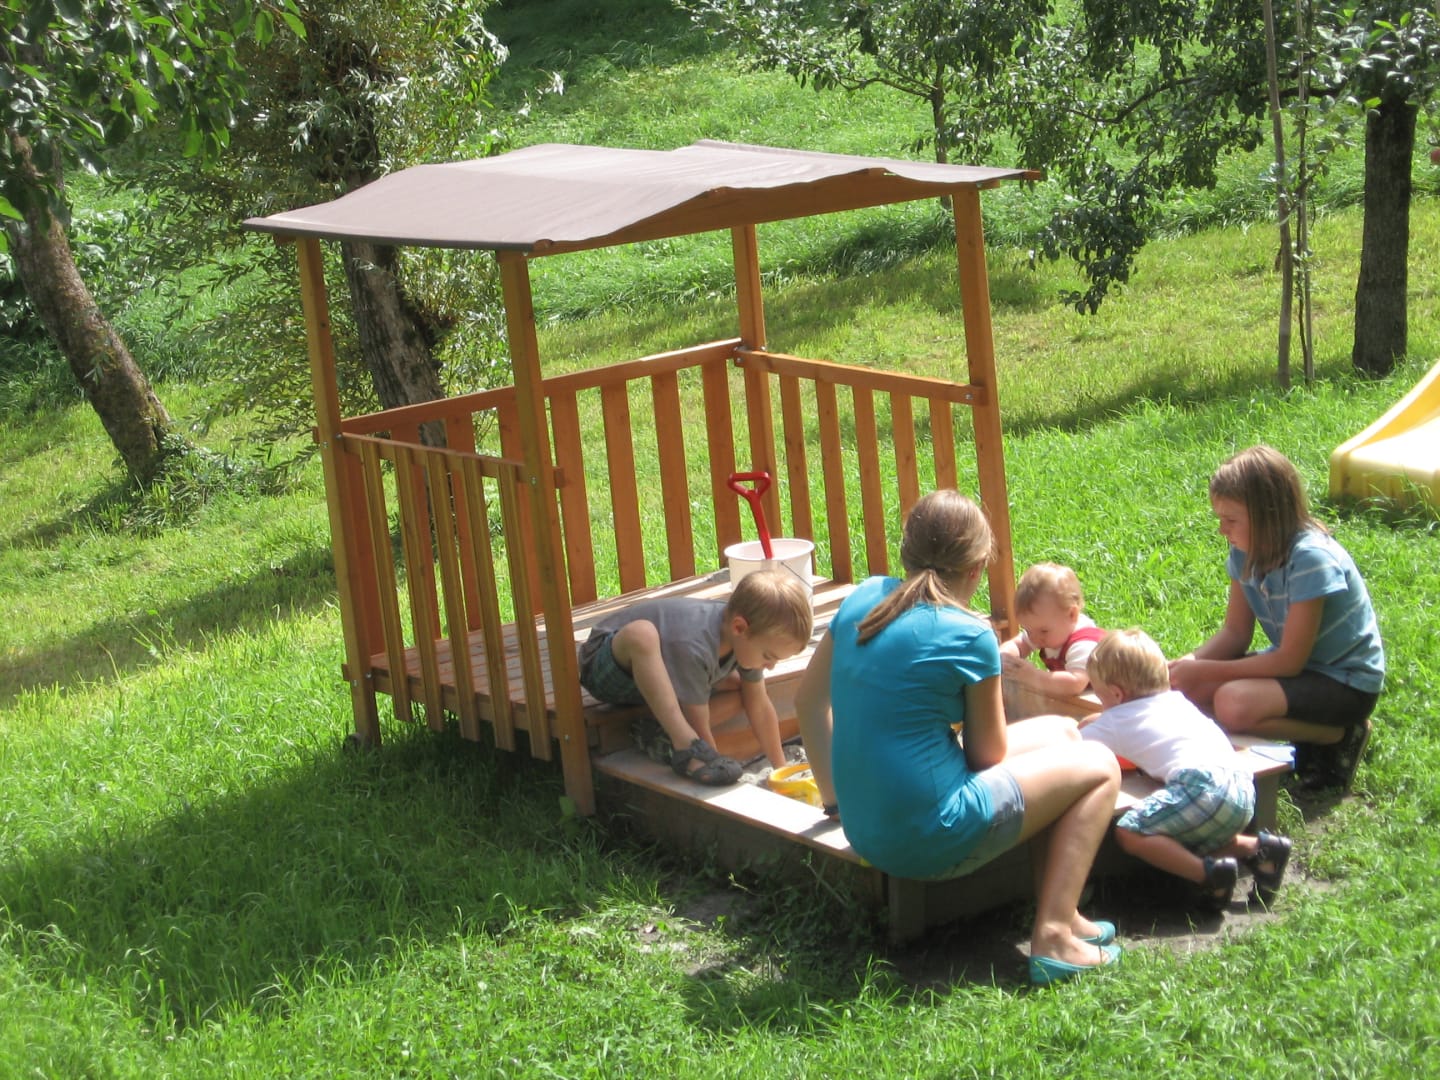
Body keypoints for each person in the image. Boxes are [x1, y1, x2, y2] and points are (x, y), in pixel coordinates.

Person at [795, 490, 1123, 985]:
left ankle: (1065, 914)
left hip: (864, 829)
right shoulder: (969, 633)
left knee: (1064, 732)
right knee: (1101, 765)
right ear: (977, 568)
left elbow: (807, 702)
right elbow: (987, 756)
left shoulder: (863, 596)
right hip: (931, 838)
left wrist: (837, 803)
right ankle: (1053, 938)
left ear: (905, 551)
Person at [1168, 446, 1385, 791]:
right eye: (1220, 519)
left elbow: (1289, 661)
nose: (1222, 530)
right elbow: (1235, 633)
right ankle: (1292, 739)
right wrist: (1185, 666)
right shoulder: (1244, 553)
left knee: (1232, 703)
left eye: (1231, 520)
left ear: (1267, 515)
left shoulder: (1311, 559)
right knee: (1189, 689)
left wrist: (1206, 669)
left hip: (1345, 682)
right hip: (1300, 672)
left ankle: (1339, 735)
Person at [1082, 629, 1293, 908]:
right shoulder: (1177, 701)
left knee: (1131, 831)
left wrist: (1086, 724)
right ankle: (1260, 850)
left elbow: (1072, 747)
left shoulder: (1116, 719)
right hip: (1241, 786)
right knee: (1188, 833)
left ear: (1117, 694)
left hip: (1202, 787)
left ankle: (1208, 876)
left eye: (1100, 697)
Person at [579, 568, 813, 786]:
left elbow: (759, 705)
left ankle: (659, 734)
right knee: (642, 634)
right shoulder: (695, 646)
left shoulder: (747, 639)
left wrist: (781, 768)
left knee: (743, 689)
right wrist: (714, 762)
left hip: (660, 675)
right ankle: (686, 747)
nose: (770, 667)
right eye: (768, 657)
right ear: (739, 628)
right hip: (609, 668)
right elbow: (697, 723)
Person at [999, 562, 1106, 697]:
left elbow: (1075, 683)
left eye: (1043, 631)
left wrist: (1033, 676)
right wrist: (1005, 657)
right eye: (1028, 630)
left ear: (1072, 615)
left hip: (1113, 701)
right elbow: (1018, 644)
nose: (1034, 639)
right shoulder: (1045, 629)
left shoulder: (1084, 643)